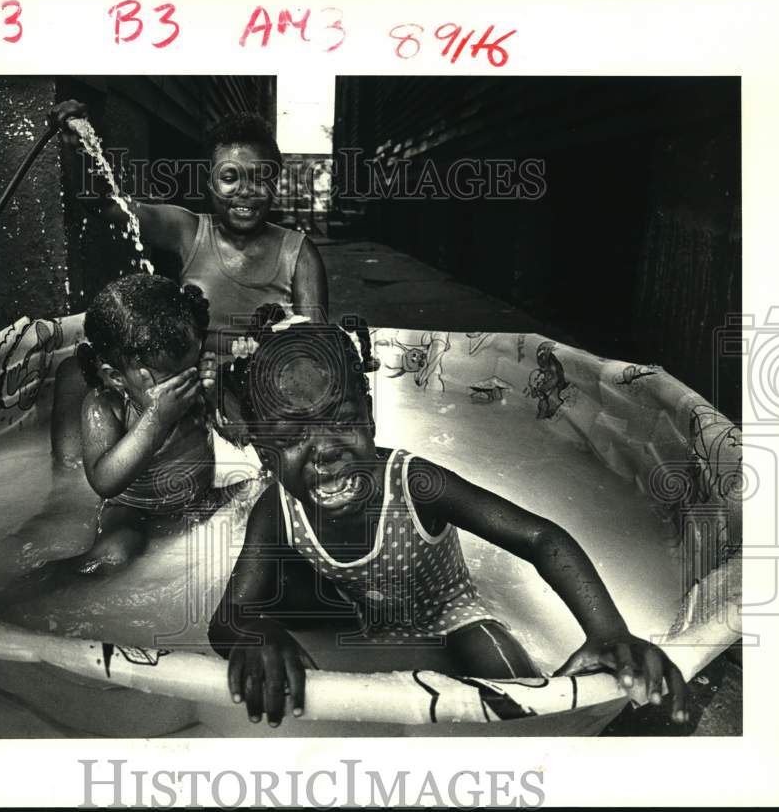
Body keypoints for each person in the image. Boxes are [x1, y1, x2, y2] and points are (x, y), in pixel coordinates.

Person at [207, 307, 688, 727]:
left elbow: (540, 538)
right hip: (355, 609)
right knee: (275, 598)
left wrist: (607, 631)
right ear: (264, 452)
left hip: (445, 613)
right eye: (291, 438)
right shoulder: (277, 507)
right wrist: (256, 637)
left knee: (510, 694)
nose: (325, 450)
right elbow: (228, 616)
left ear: (370, 415)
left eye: (341, 420)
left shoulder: (414, 484)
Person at [49, 100, 328, 467]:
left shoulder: (298, 253)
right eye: (230, 178)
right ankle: (68, 487)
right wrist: (80, 149)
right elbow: (105, 205)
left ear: (275, 181)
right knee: (72, 373)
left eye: (259, 177)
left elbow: (317, 349)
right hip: (189, 377)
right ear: (210, 181)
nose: (245, 191)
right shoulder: (188, 230)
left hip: (255, 383)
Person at [72, 273, 218, 574]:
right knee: (115, 553)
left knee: (265, 492)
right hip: (134, 510)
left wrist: (217, 397)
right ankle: (35, 587)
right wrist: (156, 419)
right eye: (171, 383)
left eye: (192, 368)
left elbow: (241, 436)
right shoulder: (106, 404)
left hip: (199, 499)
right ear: (116, 377)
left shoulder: (197, 381)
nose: (186, 385)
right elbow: (104, 481)